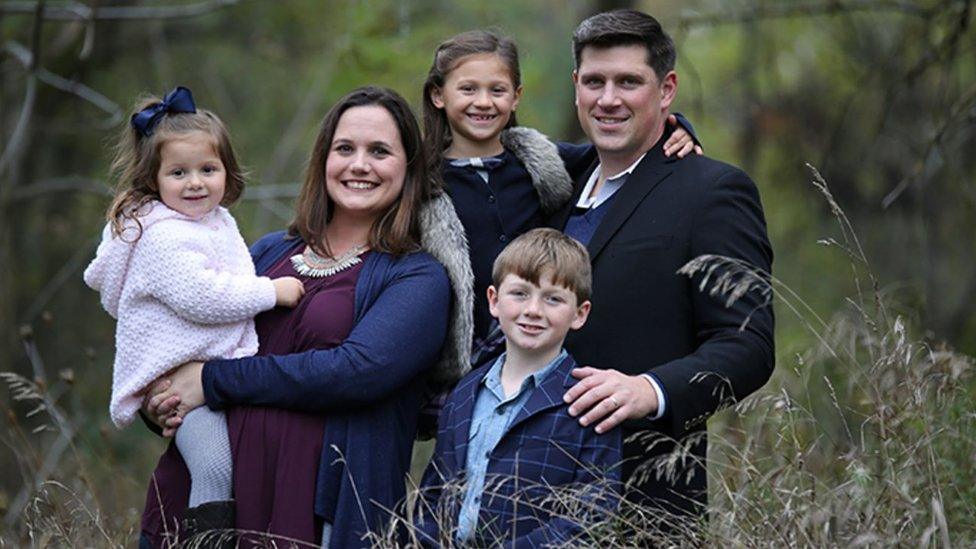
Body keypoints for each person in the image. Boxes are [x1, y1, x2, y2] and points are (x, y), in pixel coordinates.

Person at [139, 86, 472, 548]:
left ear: (409, 169)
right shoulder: (269, 251)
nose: (359, 165)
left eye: (379, 151)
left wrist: (211, 380)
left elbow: (355, 372)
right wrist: (161, 400)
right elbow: (189, 336)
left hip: (317, 511)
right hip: (210, 501)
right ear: (323, 160)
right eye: (345, 149)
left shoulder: (418, 278)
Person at [555, 9, 775, 524]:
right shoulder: (553, 182)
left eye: (629, 82)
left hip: (638, 496)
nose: (608, 99)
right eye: (595, 81)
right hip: (524, 490)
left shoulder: (712, 192)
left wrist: (648, 389)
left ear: (666, 89)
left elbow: (748, 345)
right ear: (576, 87)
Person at [83, 86, 306, 540]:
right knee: (216, 468)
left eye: (208, 169)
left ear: (227, 172)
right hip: (175, 379)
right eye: (178, 172)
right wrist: (271, 292)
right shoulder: (162, 236)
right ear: (153, 179)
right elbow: (201, 296)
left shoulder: (214, 221)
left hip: (208, 373)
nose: (195, 183)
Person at [421, 30, 701, 358]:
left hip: (538, 346)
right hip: (456, 362)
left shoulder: (545, 161)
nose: (483, 102)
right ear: (439, 96)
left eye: (497, 90)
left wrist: (677, 127)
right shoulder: (421, 183)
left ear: (516, 97)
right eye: (468, 89)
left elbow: (622, 149)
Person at [414, 228, 620, 547]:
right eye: (520, 293)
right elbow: (432, 494)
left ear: (579, 314)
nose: (533, 310)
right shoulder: (464, 393)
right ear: (494, 301)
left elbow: (591, 516)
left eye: (553, 298)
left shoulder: (588, 400)